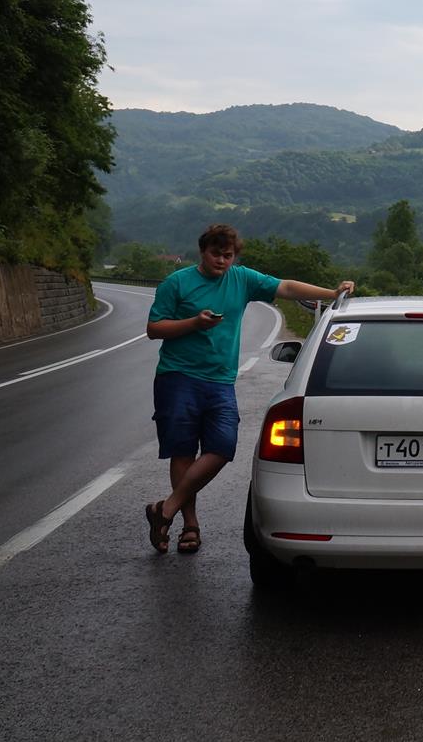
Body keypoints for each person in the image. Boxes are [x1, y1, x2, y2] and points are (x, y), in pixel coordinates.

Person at [143, 223, 352, 554]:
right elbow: (155, 328)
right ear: (203, 251)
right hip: (177, 377)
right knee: (183, 452)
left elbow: (285, 287)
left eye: (228, 255)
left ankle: (164, 510)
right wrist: (195, 323)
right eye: (216, 254)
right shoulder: (177, 283)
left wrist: (331, 293)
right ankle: (189, 525)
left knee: (223, 447)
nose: (222, 261)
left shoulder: (241, 279)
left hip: (221, 380)